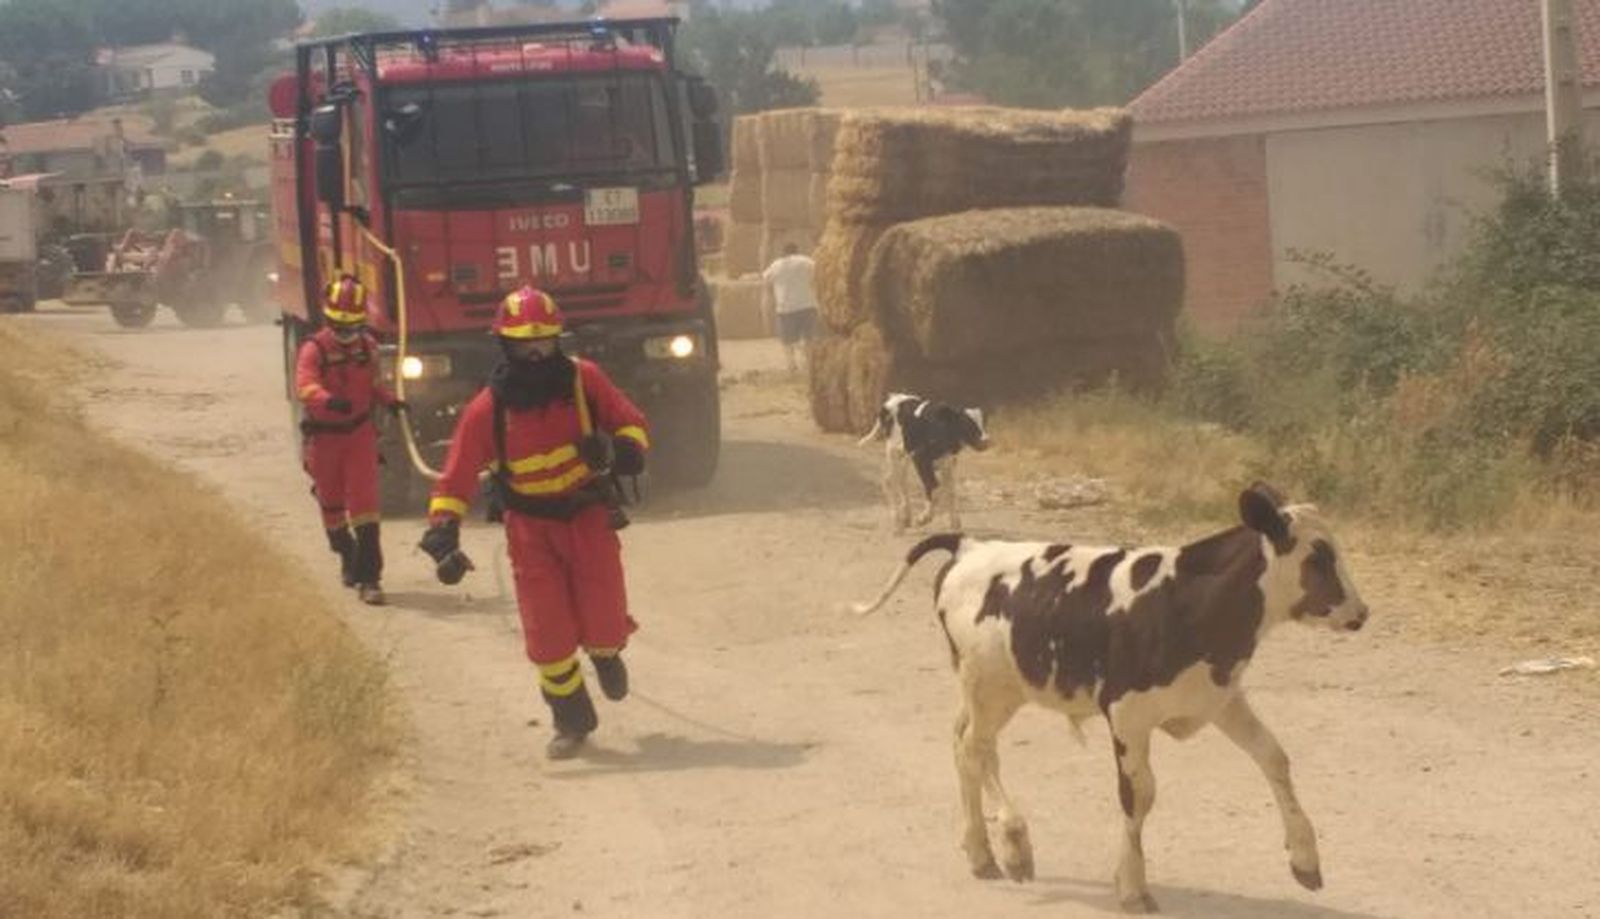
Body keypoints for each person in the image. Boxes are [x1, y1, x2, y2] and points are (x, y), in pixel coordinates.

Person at [418, 286, 650, 760]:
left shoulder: (585, 381)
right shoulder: (488, 409)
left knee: (604, 618)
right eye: (526, 345)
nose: (537, 354)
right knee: (548, 633)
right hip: (530, 530)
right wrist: (443, 531)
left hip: (588, 518)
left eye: (544, 342)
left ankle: (607, 654)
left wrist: (621, 450)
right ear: (507, 346)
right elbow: (455, 475)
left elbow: (630, 421)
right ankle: (571, 719)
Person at [296, 275, 404, 606]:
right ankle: (347, 554)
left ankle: (370, 579)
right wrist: (328, 401)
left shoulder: (367, 348)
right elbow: (305, 386)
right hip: (324, 439)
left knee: (364, 506)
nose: (346, 334)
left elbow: (373, 385)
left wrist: (390, 401)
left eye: (352, 327)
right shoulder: (313, 349)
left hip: (359, 435)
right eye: (340, 327)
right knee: (331, 507)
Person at [761, 243, 819, 373]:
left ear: (783, 253)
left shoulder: (775, 265)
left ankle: (791, 364)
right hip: (808, 305)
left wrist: (765, 313)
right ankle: (808, 364)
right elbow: (819, 277)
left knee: (787, 340)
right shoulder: (807, 262)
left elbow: (766, 288)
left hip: (786, 308)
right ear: (797, 251)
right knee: (809, 338)